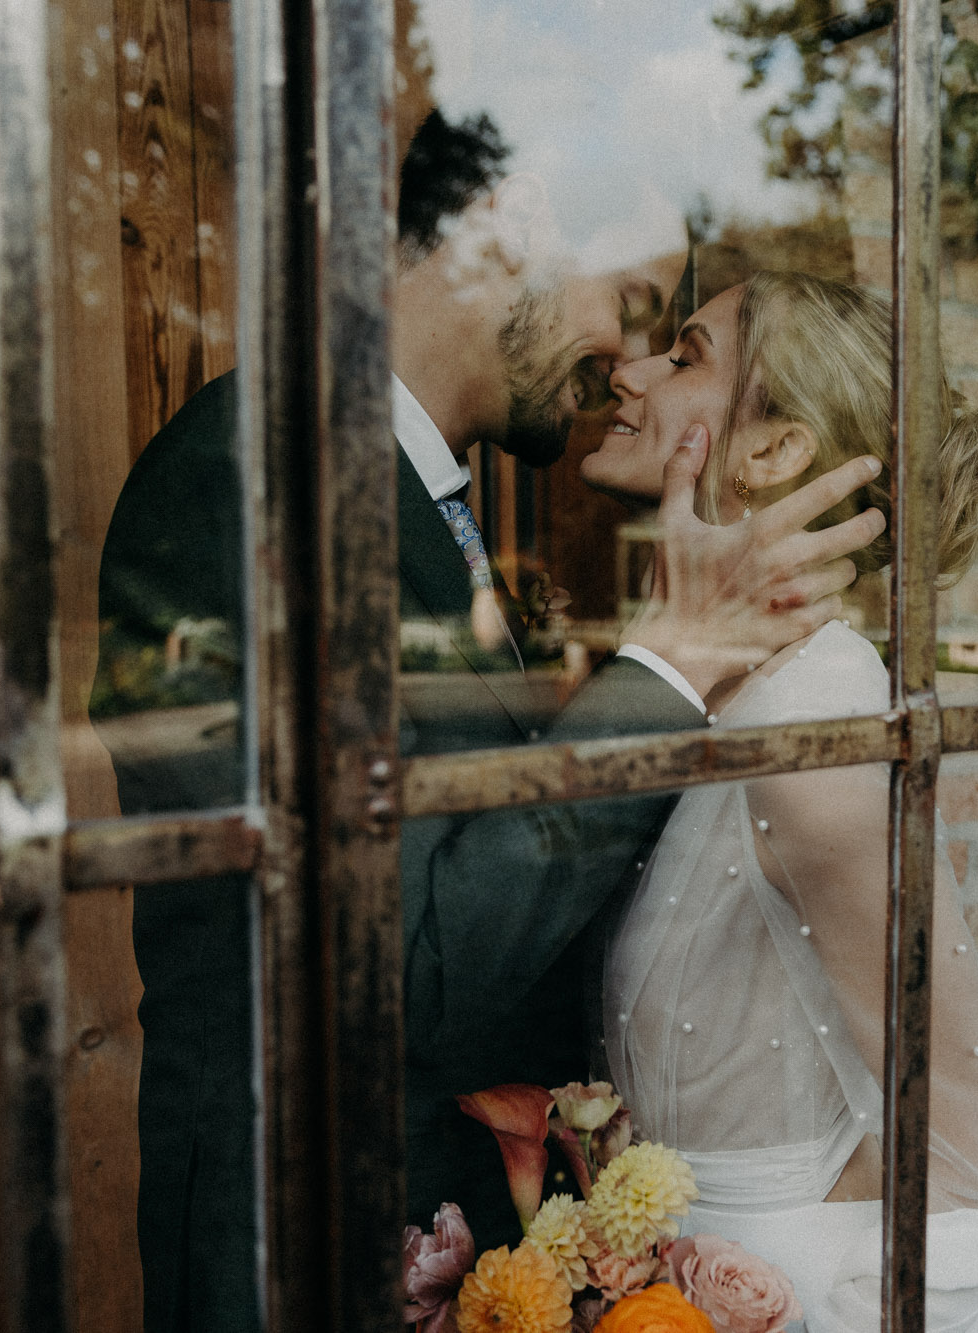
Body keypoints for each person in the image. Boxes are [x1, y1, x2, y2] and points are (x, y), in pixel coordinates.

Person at [94, 151, 887, 1325]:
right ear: (505, 232)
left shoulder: (418, 505)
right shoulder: (253, 490)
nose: (623, 364)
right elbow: (392, 965)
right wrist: (664, 665)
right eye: (626, 306)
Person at [596, 272, 978, 1333]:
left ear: (773, 451)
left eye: (683, 355)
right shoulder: (703, 688)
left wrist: (823, 1291)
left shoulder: (817, 713)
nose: (629, 370)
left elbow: (964, 1126)